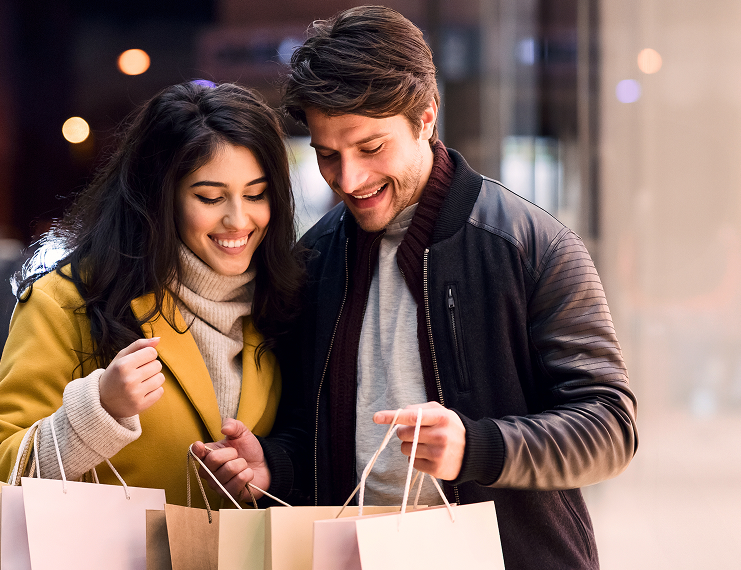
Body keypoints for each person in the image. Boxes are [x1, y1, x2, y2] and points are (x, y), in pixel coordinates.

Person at [191, 7, 637, 569]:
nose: (349, 180)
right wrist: (271, 464)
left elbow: (610, 426)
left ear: (426, 118)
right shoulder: (315, 258)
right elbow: (313, 430)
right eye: (328, 155)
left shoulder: (529, 244)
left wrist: (477, 446)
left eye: (371, 148)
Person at [0, 81, 305, 505]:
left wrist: (269, 466)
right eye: (210, 197)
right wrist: (98, 411)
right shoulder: (68, 299)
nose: (238, 219)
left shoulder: (281, 301)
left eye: (256, 194)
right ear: (160, 198)